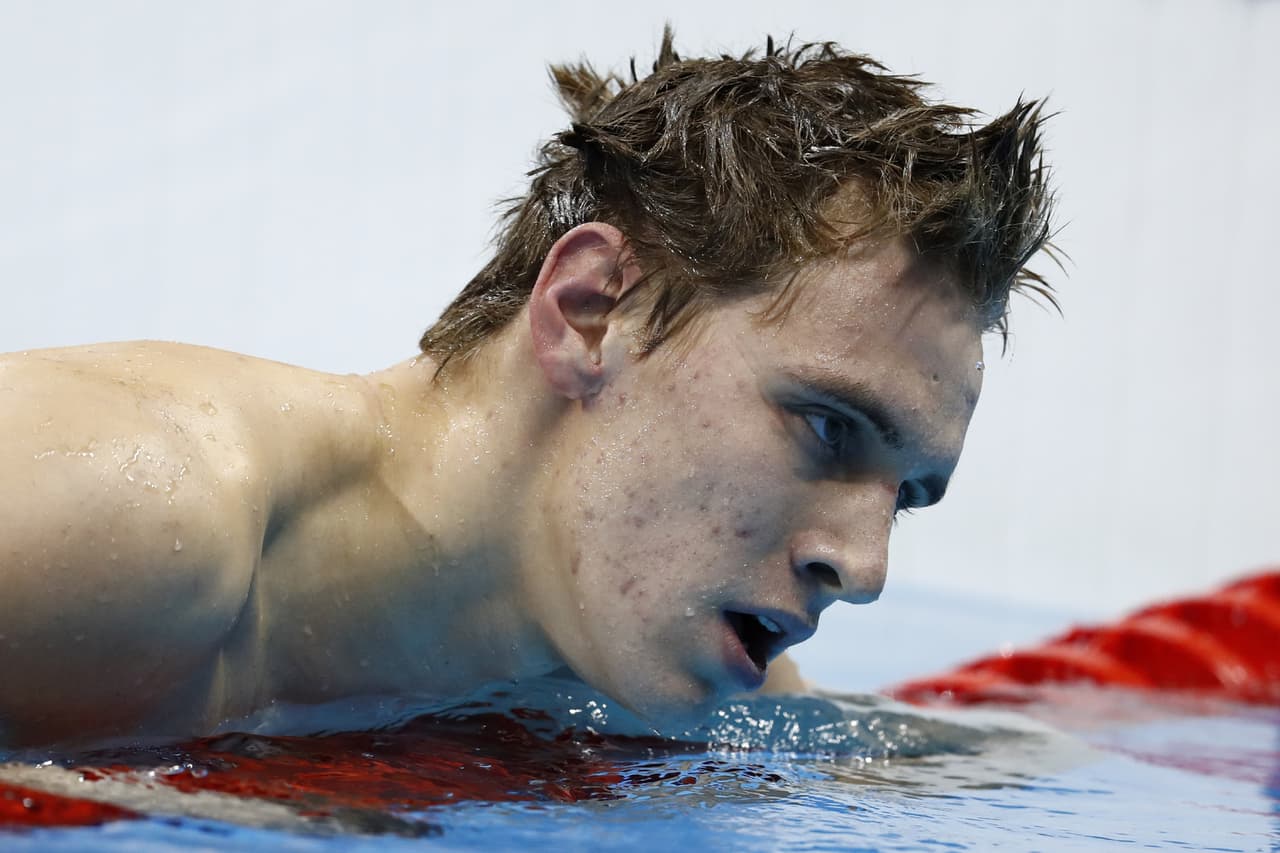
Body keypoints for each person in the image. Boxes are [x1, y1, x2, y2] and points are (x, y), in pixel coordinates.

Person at [0, 30, 1054, 748]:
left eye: (905, 495)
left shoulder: (634, 654)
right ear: (591, 312)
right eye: (825, 427)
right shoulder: (124, 513)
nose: (862, 569)